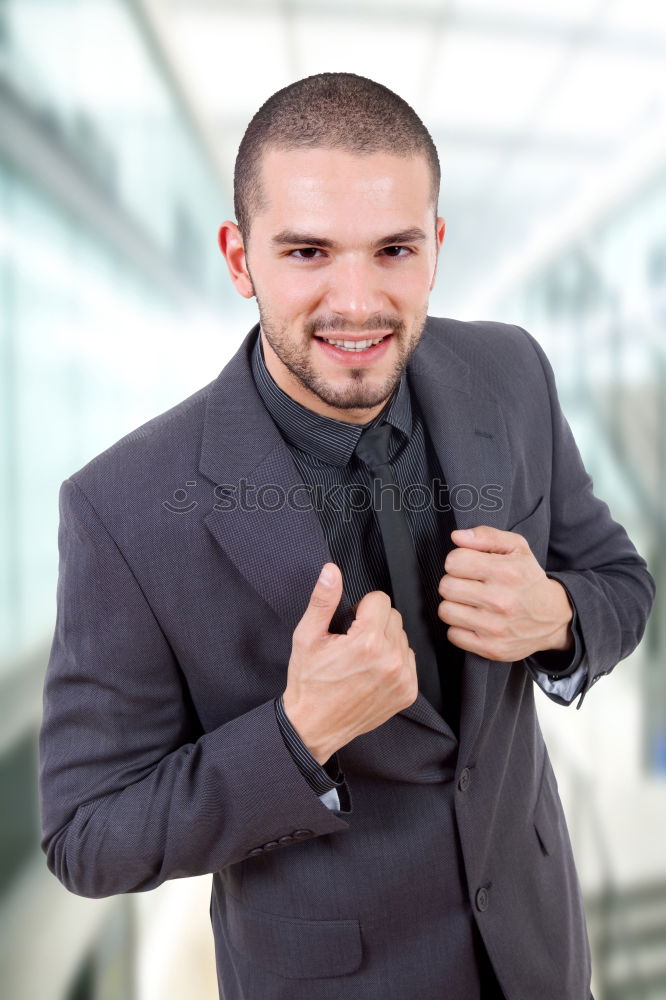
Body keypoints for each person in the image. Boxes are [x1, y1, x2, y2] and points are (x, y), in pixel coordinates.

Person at [39, 73, 655, 1000]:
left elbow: (621, 578)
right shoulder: (122, 508)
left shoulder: (511, 371)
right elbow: (85, 833)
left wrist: (559, 616)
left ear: (436, 248)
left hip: (539, 951)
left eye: (394, 249)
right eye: (309, 252)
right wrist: (296, 737)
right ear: (240, 259)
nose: (358, 303)